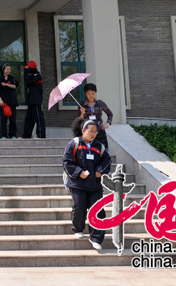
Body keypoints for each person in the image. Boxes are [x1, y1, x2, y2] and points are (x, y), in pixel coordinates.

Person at [63, 120, 112, 250]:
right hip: (78, 183)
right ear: (83, 131)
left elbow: (107, 160)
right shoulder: (74, 143)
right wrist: (79, 172)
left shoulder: (99, 146)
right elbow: (67, 162)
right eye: (90, 131)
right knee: (79, 207)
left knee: (97, 210)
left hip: (94, 184)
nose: (93, 134)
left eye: (95, 132)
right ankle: (78, 229)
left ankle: (96, 238)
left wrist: (100, 171)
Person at [78, 83, 113, 150]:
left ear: (95, 93)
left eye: (93, 93)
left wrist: (107, 124)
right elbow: (80, 120)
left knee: (101, 151)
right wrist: (82, 113)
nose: (91, 95)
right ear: (85, 94)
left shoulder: (100, 103)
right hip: (87, 132)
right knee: (89, 151)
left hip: (99, 131)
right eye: (88, 93)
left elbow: (110, 114)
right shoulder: (82, 104)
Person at [22, 61, 45, 139]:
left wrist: (26, 72)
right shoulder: (32, 75)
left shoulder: (37, 76)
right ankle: (26, 135)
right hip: (31, 101)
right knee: (29, 119)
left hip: (36, 100)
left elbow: (27, 82)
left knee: (38, 118)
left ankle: (41, 135)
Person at [0, 64, 19, 139]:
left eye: (9, 69)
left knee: (13, 119)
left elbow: (15, 86)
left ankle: (13, 134)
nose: (8, 70)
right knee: (3, 120)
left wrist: (6, 84)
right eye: (7, 69)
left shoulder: (12, 78)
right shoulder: (0, 79)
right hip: (3, 103)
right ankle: (3, 135)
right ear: (3, 70)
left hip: (12, 102)